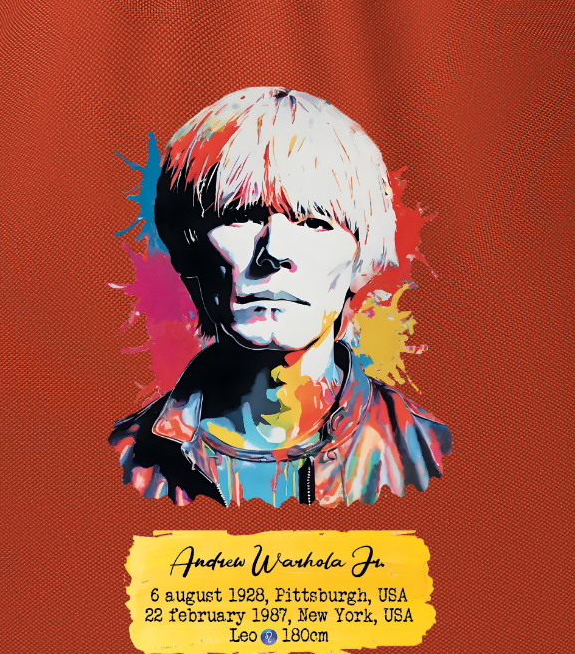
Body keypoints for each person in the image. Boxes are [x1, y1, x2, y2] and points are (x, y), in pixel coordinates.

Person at [109, 86, 451, 507]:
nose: (275, 251)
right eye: (242, 215)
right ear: (188, 248)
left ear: (362, 260)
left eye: (315, 222)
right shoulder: (124, 464)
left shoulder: (428, 456)